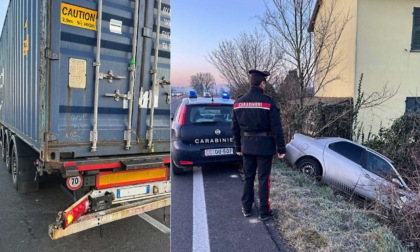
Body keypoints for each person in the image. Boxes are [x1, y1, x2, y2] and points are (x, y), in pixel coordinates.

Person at [231, 69, 286, 221]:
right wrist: (281, 149)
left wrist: (238, 147)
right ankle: (264, 212)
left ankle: (246, 208)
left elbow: (235, 128)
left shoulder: (238, 102)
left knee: (248, 177)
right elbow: (277, 128)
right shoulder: (268, 102)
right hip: (265, 148)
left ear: (250, 83)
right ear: (262, 84)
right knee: (263, 179)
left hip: (247, 147)